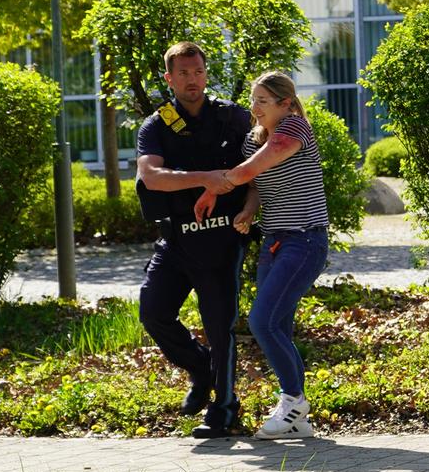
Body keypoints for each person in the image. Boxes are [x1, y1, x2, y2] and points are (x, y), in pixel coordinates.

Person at [194, 71, 331, 440]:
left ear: (286, 104)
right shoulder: (254, 140)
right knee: (278, 325)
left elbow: (253, 168)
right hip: (274, 242)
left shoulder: (295, 129)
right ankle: (297, 420)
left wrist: (212, 187)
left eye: (262, 101)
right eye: (253, 100)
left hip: (305, 241)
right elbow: (256, 184)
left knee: (262, 322)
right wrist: (250, 209)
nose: (254, 108)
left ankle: (293, 401)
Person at [134, 41, 253, 439]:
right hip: (176, 240)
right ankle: (201, 370)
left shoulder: (232, 117)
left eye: (198, 71)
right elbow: (150, 176)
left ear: (206, 73)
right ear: (169, 78)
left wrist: (236, 196)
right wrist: (205, 179)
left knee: (220, 323)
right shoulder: (157, 124)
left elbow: (259, 165)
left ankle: (224, 406)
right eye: (183, 73)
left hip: (221, 238)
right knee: (153, 312)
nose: (192, 80)